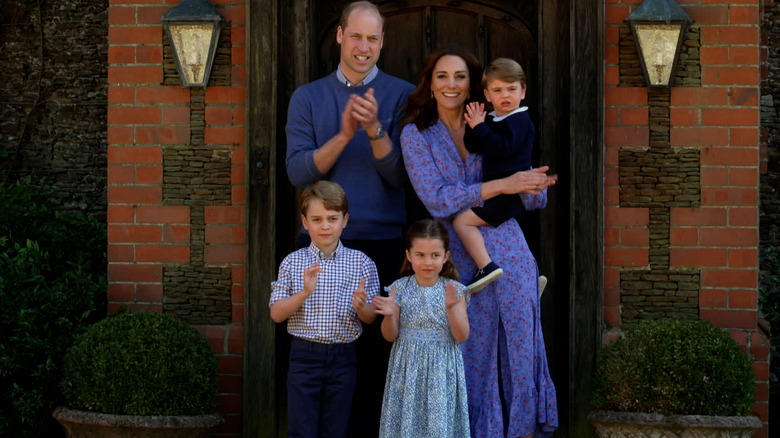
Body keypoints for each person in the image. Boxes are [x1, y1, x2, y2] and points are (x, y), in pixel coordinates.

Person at [399, 46, 559, 438]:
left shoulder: (495, 121)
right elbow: (436, 198)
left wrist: (532, 185)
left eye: (459, 76)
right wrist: (503, 185)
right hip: (457, 257)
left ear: (474, 86)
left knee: (522, 349)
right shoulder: (415, 134)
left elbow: (532, 196)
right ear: (430, 84)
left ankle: (523, 430)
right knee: (470, 353)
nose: (451, 84)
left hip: (510, 249)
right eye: (442, 76)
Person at [284, 2, 415, 434]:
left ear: (382, 42)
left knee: (377, 362)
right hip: (323, 244)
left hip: (382, 244)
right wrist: (343, 135)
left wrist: (375, 129)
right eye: (355, 36)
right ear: (339, 35)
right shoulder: (308, 97)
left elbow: (400, 177)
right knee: (322, 359)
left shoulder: (403, 95)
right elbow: (298, 172)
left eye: (372, 38)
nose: (363, 47)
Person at [269, 181, 379, 438]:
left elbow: (371, 317)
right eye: (317, 219)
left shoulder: (361, 263)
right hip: (304, 356)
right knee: (301, 430)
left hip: (343, 357)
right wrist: (305, 293)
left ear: (345, 220)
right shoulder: (293, 262)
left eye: (332, 218)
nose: (325, 226)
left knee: (335, 429)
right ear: (305, 222)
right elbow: (276, 314)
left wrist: (363, 307)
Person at [373, 219, 470, 438]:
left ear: (445, 257)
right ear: (409, 255)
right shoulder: (399, 288)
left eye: (435, 255)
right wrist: (389, 315)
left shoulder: (455, 290)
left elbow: (462, 336)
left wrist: (453, 308)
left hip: (441, 370)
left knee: (438, 426)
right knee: (408, 423)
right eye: (420, 255)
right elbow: (390, 336)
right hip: (408, 369)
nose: (428, 262)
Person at [454, 57, 535, 292]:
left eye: (512, 89)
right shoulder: (494, 118)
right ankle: (523, 279)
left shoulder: (520, 120)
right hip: (497, 192)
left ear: (523, 91)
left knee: (462, 221)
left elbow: (502, 149)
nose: (506, 95)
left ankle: (486, 266)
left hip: (508, 196)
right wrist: (474, 124)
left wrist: (481, 127)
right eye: (498, 90)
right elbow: (475, 146)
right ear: (488, 95)